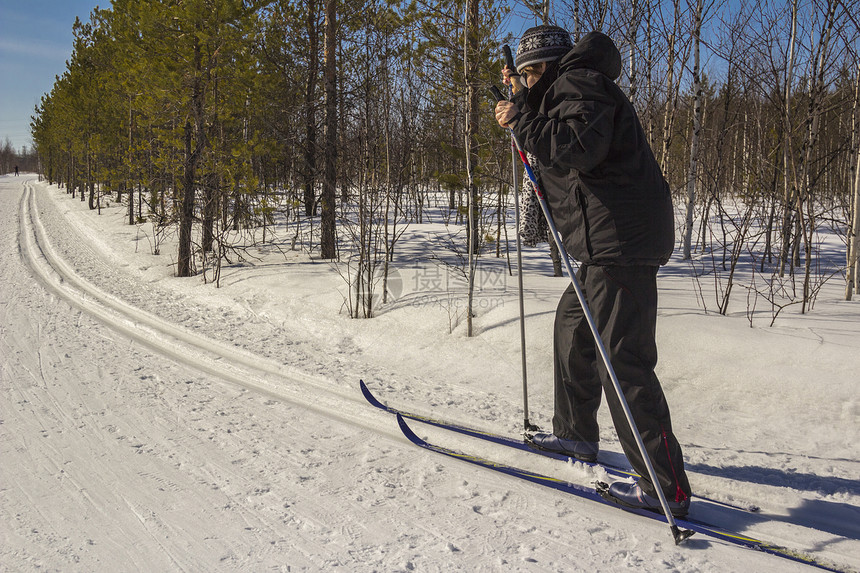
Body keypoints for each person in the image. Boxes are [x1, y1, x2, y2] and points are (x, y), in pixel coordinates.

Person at [495, 26, 691, 517]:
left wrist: (522, 116)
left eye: (533, 69)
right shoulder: (567, 90)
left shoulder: (581, 83)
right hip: (607, 244)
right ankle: (577, 436)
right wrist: (524, 109)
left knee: (620, 360)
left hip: (620, 242)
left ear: (555, 64)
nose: (527, 79)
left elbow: (577, 145)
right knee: (573, 330)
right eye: (521, 73)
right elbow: (559, 141)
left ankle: (664, 488)